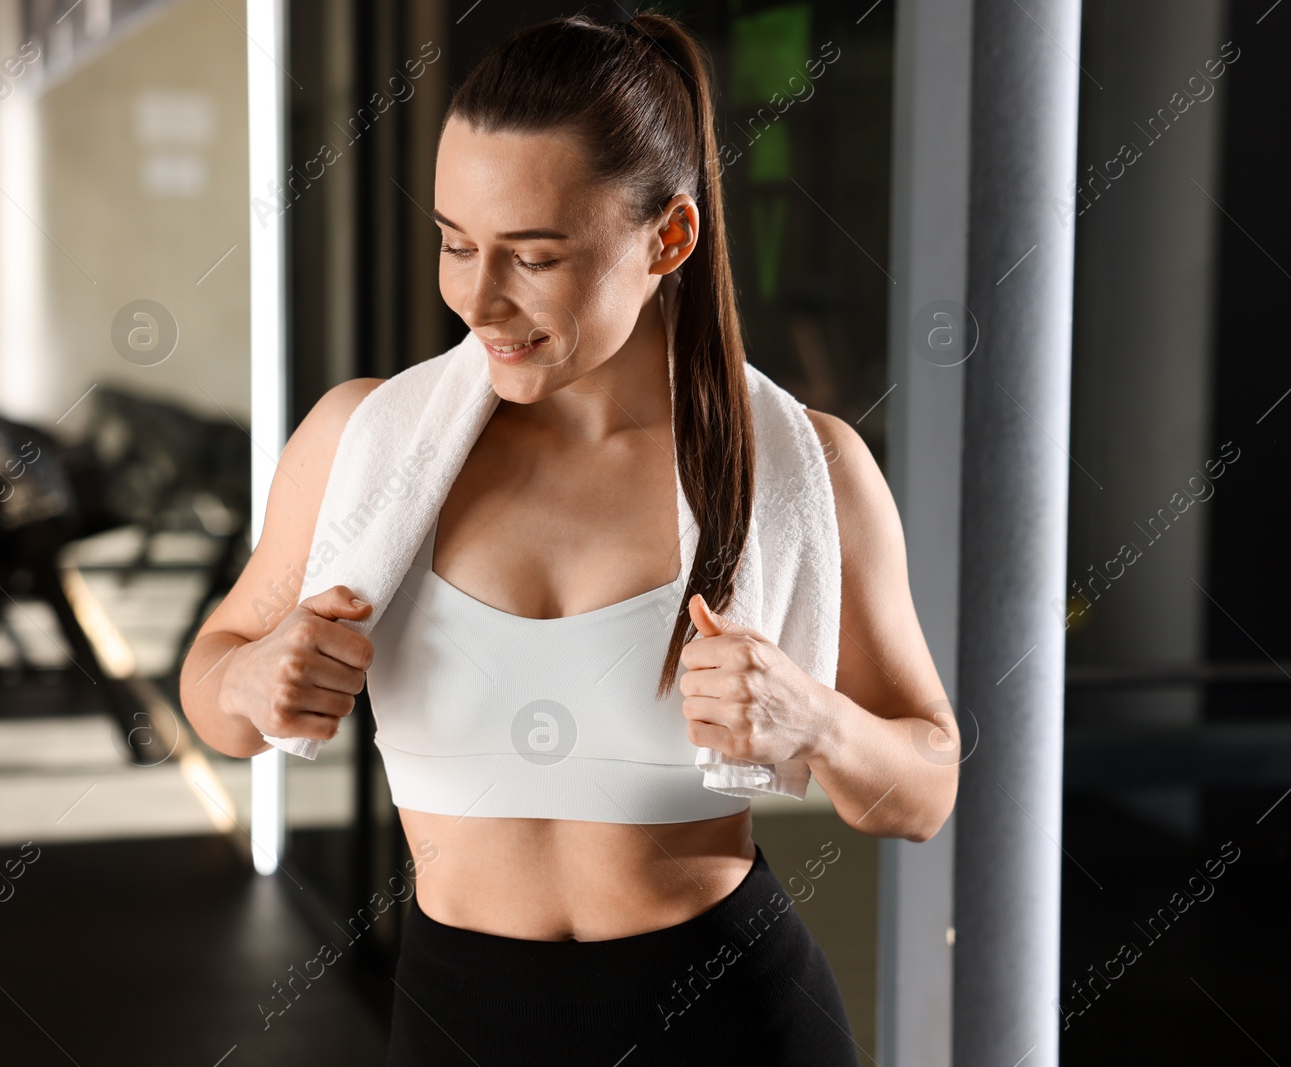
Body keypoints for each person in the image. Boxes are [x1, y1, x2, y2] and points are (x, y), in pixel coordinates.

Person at [180, 11, 956, 1065]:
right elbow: (214, 688)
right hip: (462, 1020)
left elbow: (925, 786)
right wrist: (249, 681)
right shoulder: (364, 442)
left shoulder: (804, 466)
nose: (480, 299)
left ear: (667, 238)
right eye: (456, 242)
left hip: (732, 1023)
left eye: (534, 257)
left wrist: (809, 715)